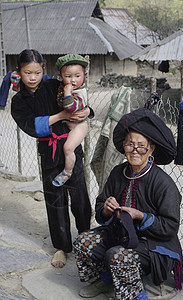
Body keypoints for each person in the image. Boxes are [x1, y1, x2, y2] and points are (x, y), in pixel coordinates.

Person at [73, 108, 183, 300]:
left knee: (117, 255)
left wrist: (140, 216)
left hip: (154, 244)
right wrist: (107, 209)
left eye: (141, 146)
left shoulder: (163, 183)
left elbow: (170, 227)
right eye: (129, 144)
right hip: (120, 234)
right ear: (123, 146)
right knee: (83, 242)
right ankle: (107, 278)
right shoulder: (118, 172)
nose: (135, 150)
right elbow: (101, 202)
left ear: (151, 148)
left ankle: (136, 296)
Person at [11, 49, 93, 268]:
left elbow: (78, 97)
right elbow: (32, 126)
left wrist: (87, 112)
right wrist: (60, 116)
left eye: (37, 72)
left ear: (43, 70)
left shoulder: (55, 86)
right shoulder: (18, 102)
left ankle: (86, 238)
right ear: (19, 71)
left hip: (70, 147)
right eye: (27, 72)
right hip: (48, 151)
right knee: (55, 200)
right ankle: (62, 247)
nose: (33, 77)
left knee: (80, 196)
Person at [52, 54, 89, 187]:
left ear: (84, 75)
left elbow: (70, 107)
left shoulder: (80, 92)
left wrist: (67, 92)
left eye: (77, 76)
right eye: (68, 76)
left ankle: (67, 172)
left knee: (68, 148)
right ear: (60, 75)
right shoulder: (64, 87)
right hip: (69, 125)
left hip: (79, 126)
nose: (73, 80)